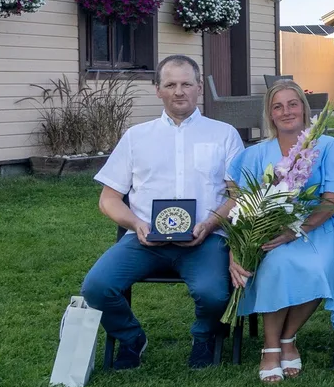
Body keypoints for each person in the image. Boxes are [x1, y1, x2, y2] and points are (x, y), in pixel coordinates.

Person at [81, 55, 244, 369]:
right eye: (170, 84)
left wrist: (210, 225)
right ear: (157, 90)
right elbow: (108, 199)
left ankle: (204, 336)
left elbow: (238, 197)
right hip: (144, 241)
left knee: (213, 294)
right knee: (96, 287)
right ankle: (130, 338)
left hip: (205, 239)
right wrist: (137, 224)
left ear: (199, 88)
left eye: (186, 84)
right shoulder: (136, 137)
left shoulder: (223, 135)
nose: (179, 91)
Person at [226, 81, 334, 383]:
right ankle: (271, 347)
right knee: (277, 265)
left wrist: (295, 231)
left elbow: (330, 202)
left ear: (304, 108)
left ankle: (287, 338)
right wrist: (235, 251)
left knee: (321, 267)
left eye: (293, 104)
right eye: (278, 106)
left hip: (313, 228)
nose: (286, 111)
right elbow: (239, 204)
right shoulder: (257, 154)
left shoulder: (328, 147)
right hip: (264, 232)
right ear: (270, 114)